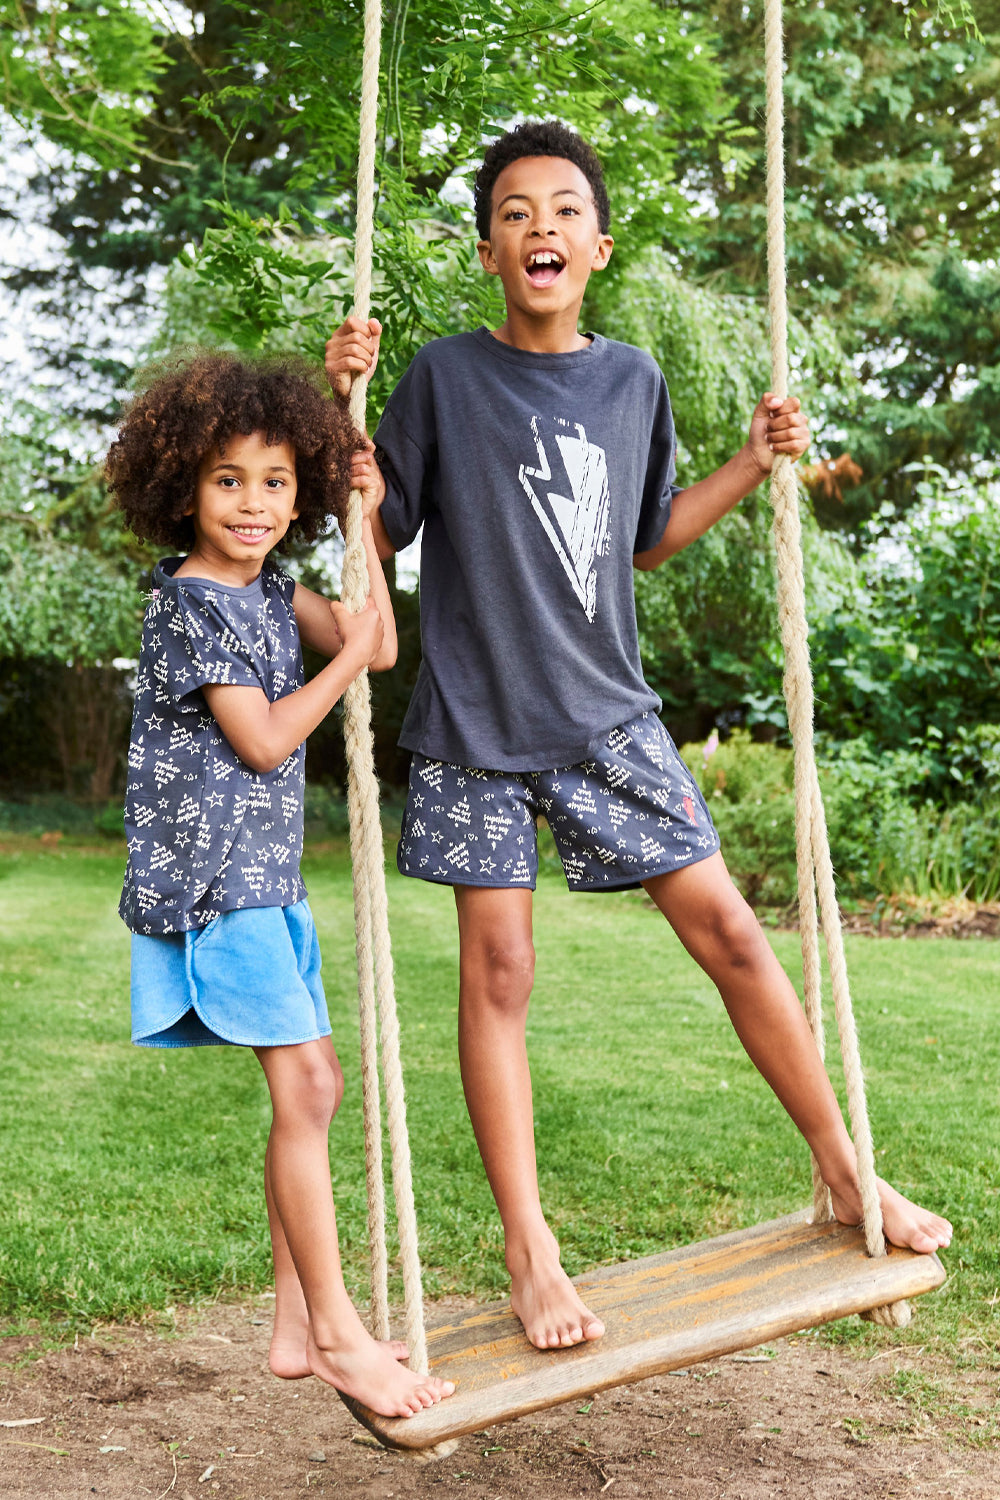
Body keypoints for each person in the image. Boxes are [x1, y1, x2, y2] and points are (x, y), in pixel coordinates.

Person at [325, 120, 953, 1352]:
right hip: (476, 724)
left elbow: (645, 534)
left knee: (729, 930)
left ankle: (839, 1168)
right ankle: (528, 1247)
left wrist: (751, 463)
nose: (539, 227)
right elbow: (378, 528)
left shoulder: (632, 381)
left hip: (606, 712)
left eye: (562, 209)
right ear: (489, 252)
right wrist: (337, 413)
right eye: (513, 212)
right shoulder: (445, 377)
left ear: (596, 246)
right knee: (498, 974)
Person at [107, 351, 454, 1417]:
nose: (252, 503)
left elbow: (380, 642)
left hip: (268, 878)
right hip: (218, 886)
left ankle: (297, 1326)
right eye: (226, 481)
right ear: (181, 490)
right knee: (307, 1091)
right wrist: (340, 665)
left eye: (274, 481)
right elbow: (261, 740)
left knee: (312, 1093)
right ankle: (341, 1335)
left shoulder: (268, 586)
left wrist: (368, 513)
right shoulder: (194, 606)